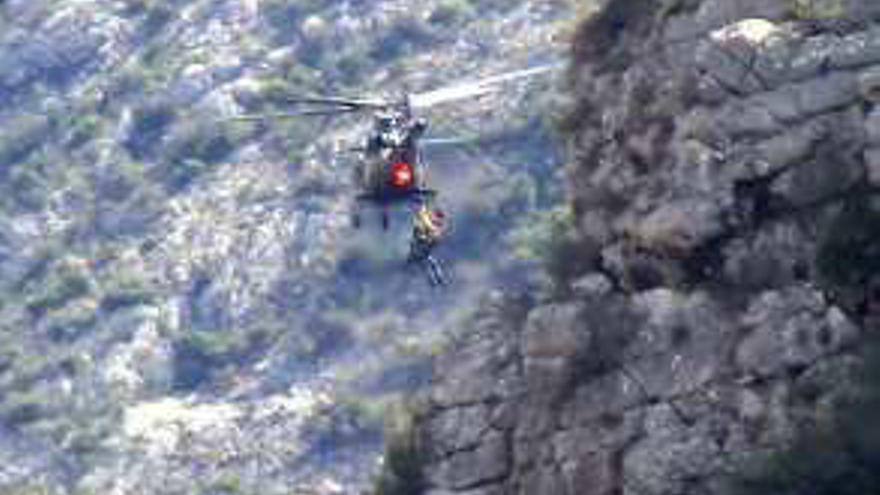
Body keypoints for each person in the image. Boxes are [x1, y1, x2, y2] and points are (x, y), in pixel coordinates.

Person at [407, 204, 448, 286]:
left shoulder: (434, 228)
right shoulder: (425, 225)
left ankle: (438, 280)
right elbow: (419, 235)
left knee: (432, 265)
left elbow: (433, 239)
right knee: (428, 265)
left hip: (423, 252)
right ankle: (434, 281)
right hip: (419, 251)